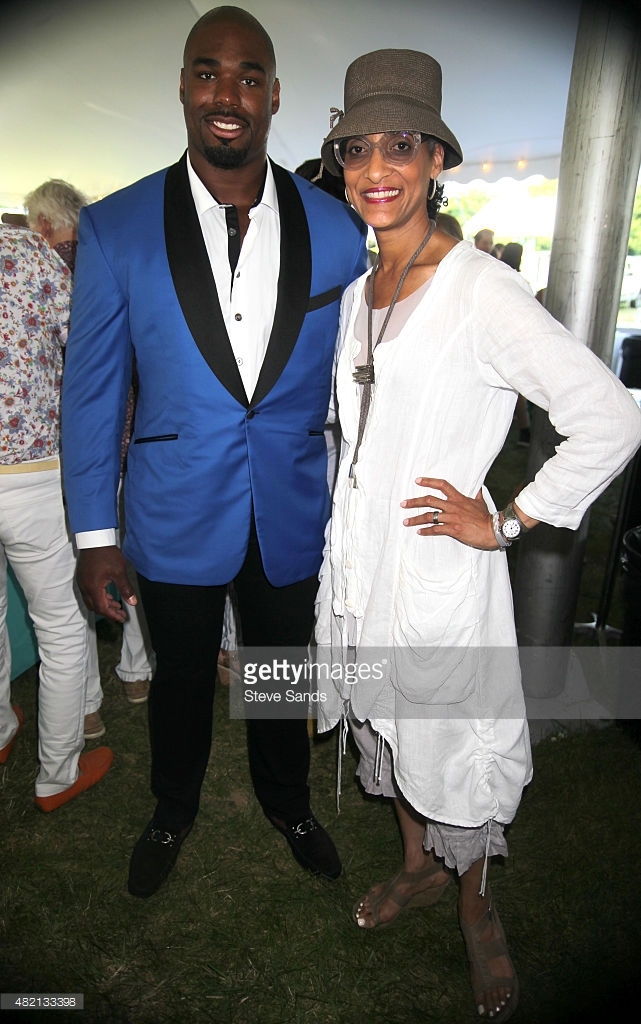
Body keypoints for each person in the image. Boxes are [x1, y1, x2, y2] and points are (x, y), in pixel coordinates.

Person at [316, 49, 641, 1022]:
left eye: (399, 146)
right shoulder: (357, 294)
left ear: (435, 160)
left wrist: (504, 520)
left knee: (454, 744)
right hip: (363, 566)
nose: (377, 167)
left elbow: (608, 417)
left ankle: (475, 907)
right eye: (358, 149)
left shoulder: (480, 291)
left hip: (440, 573)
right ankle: (418, 866)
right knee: (387, 723)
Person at [61, 6, 367, 898]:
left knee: (278, 674)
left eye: (246, 77)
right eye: (207, 73)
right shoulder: (116, 227)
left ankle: (287, 801)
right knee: (183, 677)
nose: (226, 94)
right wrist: (94, 536)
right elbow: (92, 393)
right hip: (172, 505)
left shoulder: (336, 228)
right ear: (184, 88)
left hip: (290, 506)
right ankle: (173, 807)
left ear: (273, 95)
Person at [25, 180, 155, 732]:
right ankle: (136, 669)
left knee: (73, 577)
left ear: (45, 223)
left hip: (60, 452)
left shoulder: (45, 268)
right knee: (128, 558)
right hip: (126, 437)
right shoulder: (119, 257)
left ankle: (86, 703)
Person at [0, 224, 113, 807]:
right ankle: (58, 771)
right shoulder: (23, 250)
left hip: (30, 472)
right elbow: (85, 345)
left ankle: (1, 730)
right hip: (31, 471)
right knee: (62, 627)